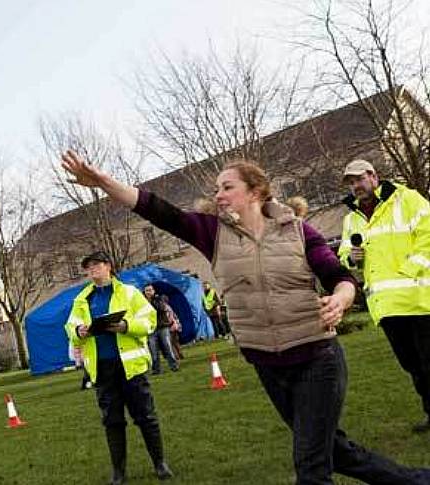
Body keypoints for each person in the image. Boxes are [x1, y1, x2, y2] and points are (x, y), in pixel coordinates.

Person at [62, 150, 430, 484]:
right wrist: (103, 183)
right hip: (268, 364)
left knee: (311, 467)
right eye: (217, 188)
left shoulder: (299, 232)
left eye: (227, 186)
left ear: (255, 191)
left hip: (317, 359)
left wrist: (341, 298)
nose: (218, 194)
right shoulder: (213, 234)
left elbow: (340, 277)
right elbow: (158, 211)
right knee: (335, 452)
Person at [66, 251, 174, 484]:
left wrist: (126, 326)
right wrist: (78, 331)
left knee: (146, 416)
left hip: (131, 366)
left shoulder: (129, 292)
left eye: (96, 265)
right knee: (112, 421)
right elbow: (70, 325)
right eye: (88, 267)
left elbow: (150, 320)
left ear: (108, 266)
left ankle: (160, 463)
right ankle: (119, 472)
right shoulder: (82, 299)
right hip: (102, 368)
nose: (91, 271)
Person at [339, 159, 430, 433]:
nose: (356, 186)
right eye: (351, 182)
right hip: (386, 306)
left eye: (359, 179)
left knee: (429, 362)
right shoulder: (351, 219)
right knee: (412, 364)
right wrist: (351, 258)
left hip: (420, 299)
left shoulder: (407, 199)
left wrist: (409, 271)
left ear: (373, 175)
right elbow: (344, 255)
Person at [143, 284, 179, 374]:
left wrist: (154, 300)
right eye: (147, 290)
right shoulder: (142, 301)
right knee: (153, 350)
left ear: (154, 291)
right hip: (151, 328)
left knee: (167, 347)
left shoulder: (160, 299)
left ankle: (174, 365)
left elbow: (161, 308)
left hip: (163, 327)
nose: (148, 292)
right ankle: (156, 369)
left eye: (150, 290)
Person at [163, 295, 184, 360]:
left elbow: (168, 318)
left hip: (170, 326)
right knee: (176, 342)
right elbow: (175, 316)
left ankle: (176, 356)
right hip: (174, 326)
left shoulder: (164, 308)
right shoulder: (169, 307)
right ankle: (180, 354)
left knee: (171, 343)